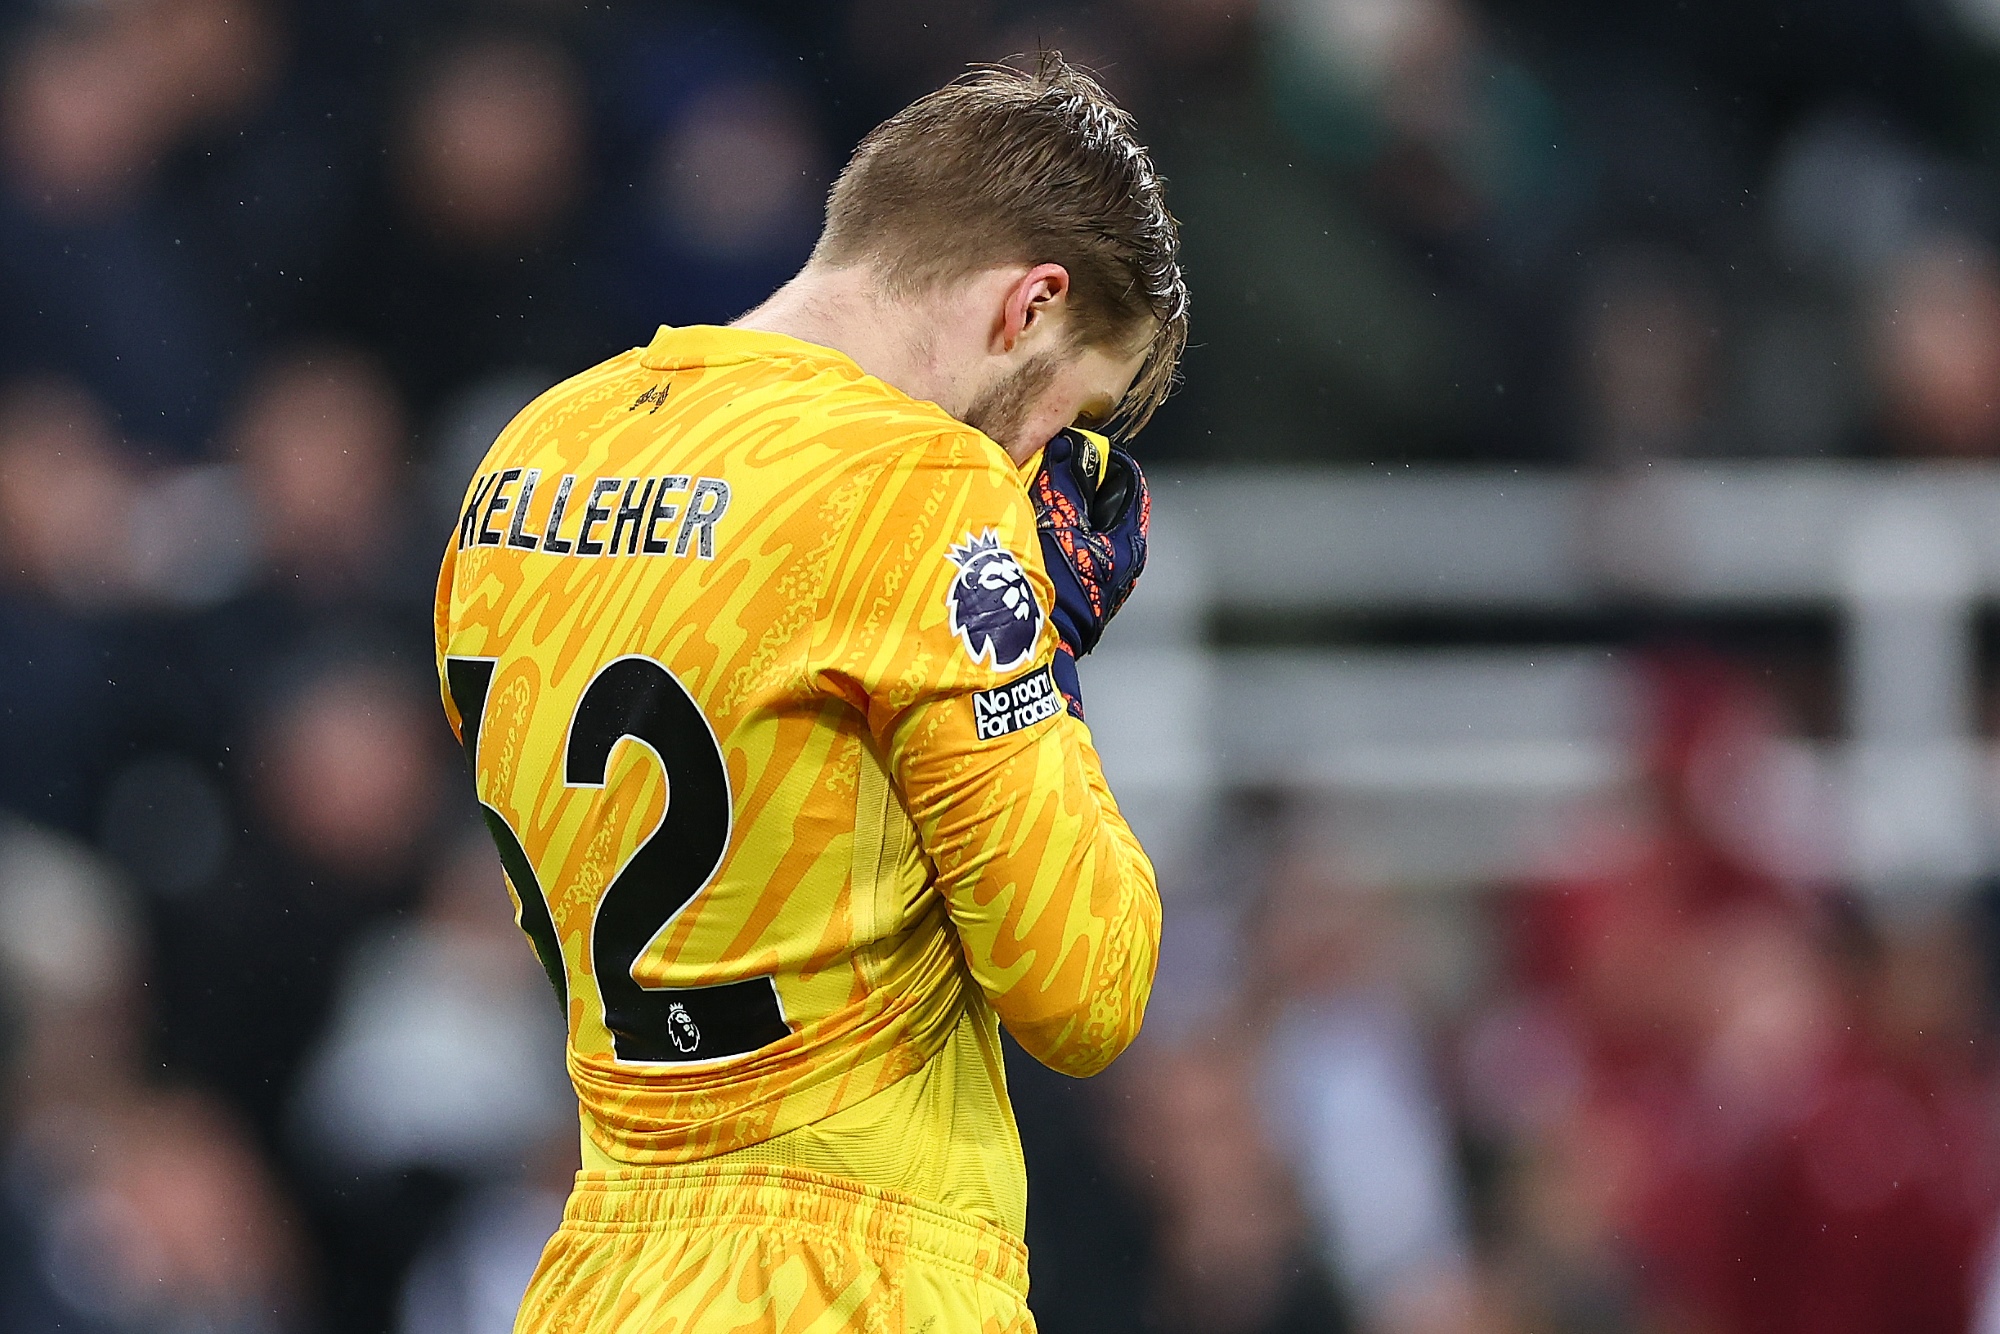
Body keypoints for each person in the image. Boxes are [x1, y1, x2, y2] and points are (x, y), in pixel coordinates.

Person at [432, 54, 1185, 1333]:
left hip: (604, 1265)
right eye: (1072, 408)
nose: (1039, 458)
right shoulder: (918, 490)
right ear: (1030, 303)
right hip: (852, 1278)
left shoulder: (532, 451)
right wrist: (1036, 645)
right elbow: (1083, 988)